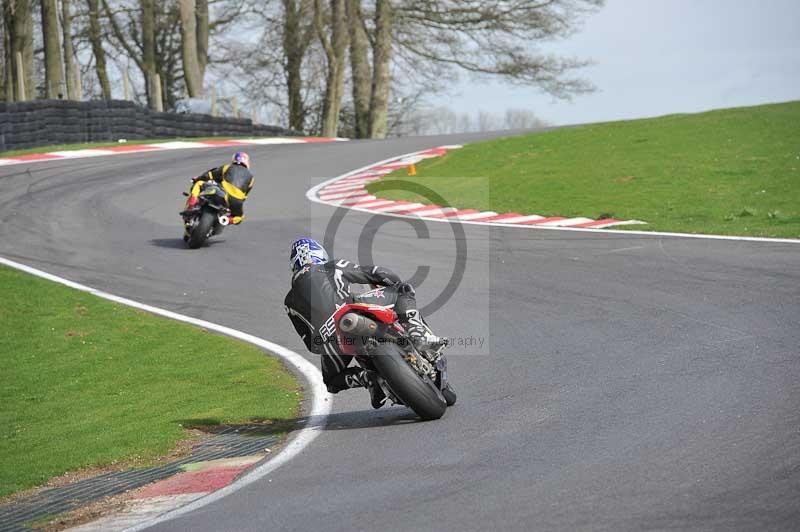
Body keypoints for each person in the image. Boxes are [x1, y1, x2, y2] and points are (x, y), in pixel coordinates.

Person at [284, 237, 446, 409]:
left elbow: (310, 343)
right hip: (351, 310)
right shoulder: (330, 266)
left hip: (331, 340)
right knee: (403, 290)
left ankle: (368, 379)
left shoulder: (289, 302)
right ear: (319, 254)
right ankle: (418, 334)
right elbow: (378, 273)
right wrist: (393, 282)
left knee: (331, 381)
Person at [183, 151, 254, 239]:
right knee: (240, 217)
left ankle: (191, 205)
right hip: (236, 202)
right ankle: (226, 220)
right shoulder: (251, 178)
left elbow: (209, 175)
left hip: (223, 194)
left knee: (199, 184)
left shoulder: (227, 167)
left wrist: (197, 179)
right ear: (247, 162)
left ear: (234, 160)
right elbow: (245, 196)